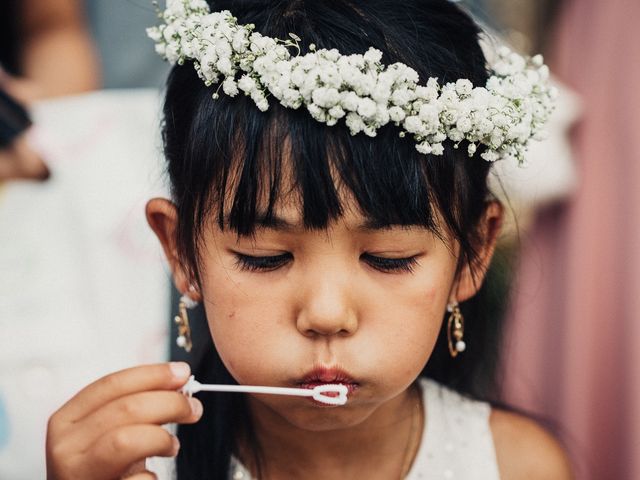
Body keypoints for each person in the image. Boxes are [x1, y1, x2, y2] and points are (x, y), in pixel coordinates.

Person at [44, 0, 572, 479]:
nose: (326, 314)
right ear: (181, 250)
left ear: (471, 255)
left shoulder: (517, 466)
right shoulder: (136, 462)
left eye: (389, 259)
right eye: (265, 258)